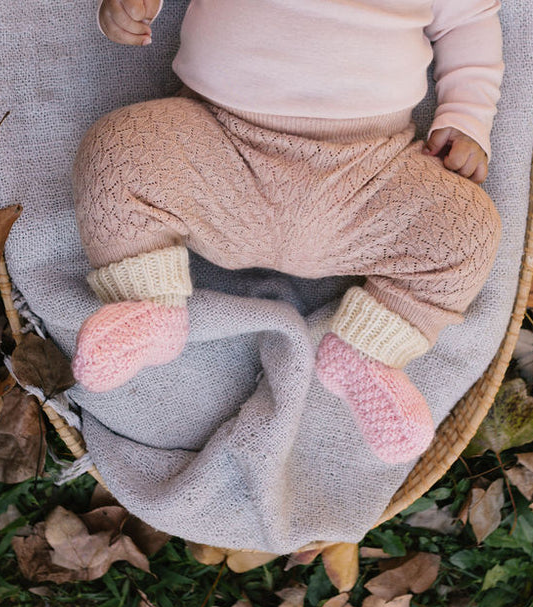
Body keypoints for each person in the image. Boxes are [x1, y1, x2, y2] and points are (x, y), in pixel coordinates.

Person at [72, 0, 504, 464]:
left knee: (467, 227)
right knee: (118, 147)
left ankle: (370, 351)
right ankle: (147, 303)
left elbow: (470, 23)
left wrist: (465, 119)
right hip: (218, 145)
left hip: (369, 176)